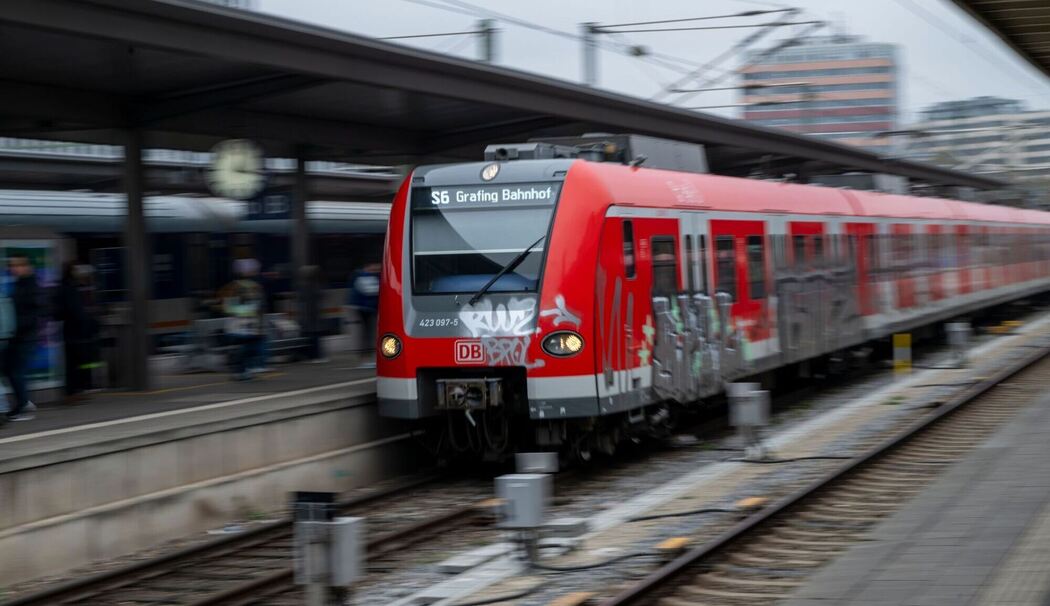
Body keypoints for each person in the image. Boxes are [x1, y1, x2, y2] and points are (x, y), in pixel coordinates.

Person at [3, 255, 40, 421]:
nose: (12, 268)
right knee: (10, 370)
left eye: (16, 265)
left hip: (26, 336)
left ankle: (24, 406)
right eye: (11, 265)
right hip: (15, 335)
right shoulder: (19, 284)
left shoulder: (31, 285)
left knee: (16, 371)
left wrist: (18, 325)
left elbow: (35, 311)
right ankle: (22, 403)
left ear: (26, 266)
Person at [221, 258, 265, 381]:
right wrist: (249, 310)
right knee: (244, 349)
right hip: (240, 326)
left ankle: (244, 369)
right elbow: (229, 307)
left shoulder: (252, 286)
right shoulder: (236, 287)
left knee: (249, 348)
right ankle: (240, 370)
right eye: (251, 271)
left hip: (249, 326)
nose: (254, 273)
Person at [54, 262, 91, 402]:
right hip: (74, 329)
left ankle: (74, 391)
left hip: (69, 328)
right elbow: (75, 309)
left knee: (73, 361)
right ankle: (73, 392)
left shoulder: (65, 286)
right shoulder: (70, 287)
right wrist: (84, 322)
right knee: (75, 361)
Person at [347, 262, 380, 362]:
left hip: (366, 308)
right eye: (374, 267)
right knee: (367, 331)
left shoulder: (361, 276)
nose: (376, 269)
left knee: (368, 331)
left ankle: (367, 352)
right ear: (368, 267)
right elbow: (371, 290)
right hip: (366, 308)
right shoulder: (365, 276)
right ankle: (366, 352)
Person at [298, 265, 327, 363]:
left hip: (309, 317)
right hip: (313, 317)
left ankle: (312, 356)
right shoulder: (315, 286)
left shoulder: (304, 286)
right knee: (315, 338)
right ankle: (316, 356)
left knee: (311, 338)